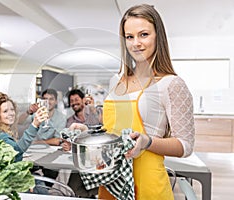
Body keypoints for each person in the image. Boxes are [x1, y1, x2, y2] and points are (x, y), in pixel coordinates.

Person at [65, 4, 195, 200]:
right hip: (111, 182)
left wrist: (147, 141)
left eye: (144, 34)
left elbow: (185, 146)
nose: (136, 43)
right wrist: (88, 133)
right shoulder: (116, 80)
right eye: (129, 37)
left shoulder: (171, 84)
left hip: (148, 183)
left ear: (158, 36)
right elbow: (113, 132)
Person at [0, 92, 47, 162]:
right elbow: (16, 152)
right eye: (5, 111)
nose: (11, 113)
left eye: (12, 109)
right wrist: (34, 125)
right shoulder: (1, 137)